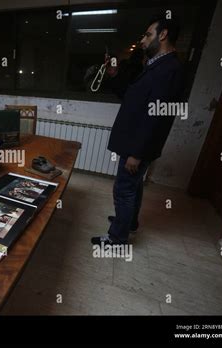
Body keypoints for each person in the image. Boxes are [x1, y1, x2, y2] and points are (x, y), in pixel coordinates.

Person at [91, 15, 184, 246]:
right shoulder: (155, 65)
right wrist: (112, 73)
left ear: (163, 35)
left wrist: (137, 153)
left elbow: (157, 117)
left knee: (124, 190)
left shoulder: (169, 69)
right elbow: (131, 96)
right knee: (134, 185)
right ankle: (129, 222)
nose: (142, 40)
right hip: (134, 142)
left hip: (137, 145)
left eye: (148, 35)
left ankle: (117, 238)